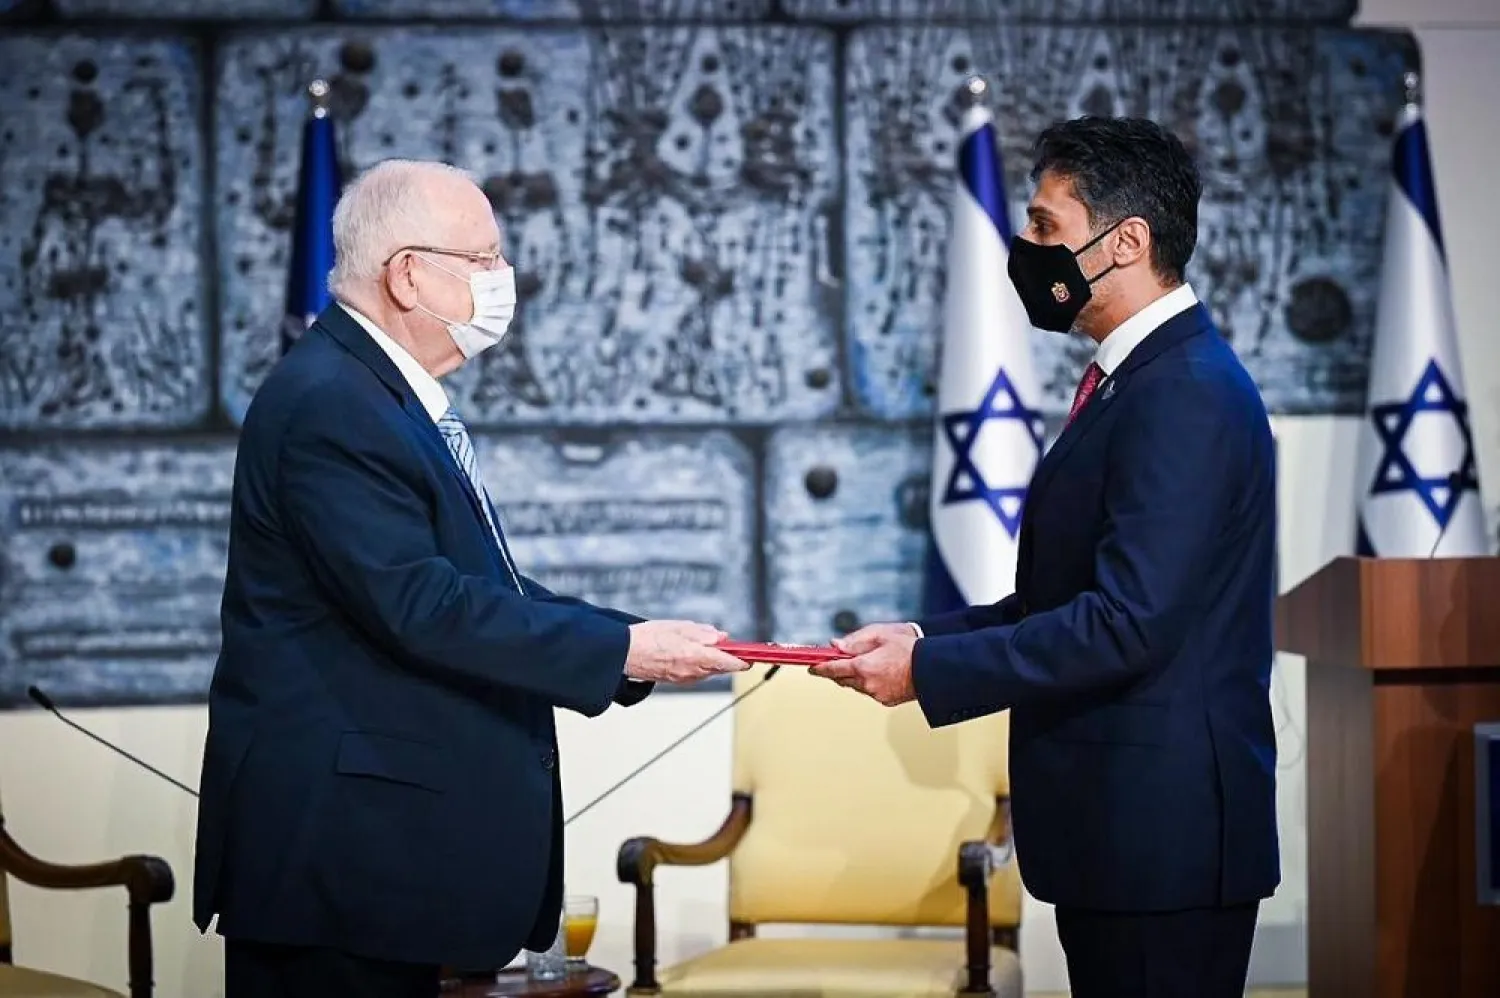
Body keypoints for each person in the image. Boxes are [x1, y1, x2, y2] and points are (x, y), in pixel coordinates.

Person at [193, 158, 749, 998]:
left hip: (382, 866)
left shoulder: (375, 393)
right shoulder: (332, 402)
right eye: (484, 260)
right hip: (340, 863)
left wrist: (635, 643)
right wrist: (625, 650)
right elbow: (423, 605)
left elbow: (480, 587)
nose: (504, 281)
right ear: (408, 275)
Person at [810, 117, 1279, 998]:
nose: (1023, 247)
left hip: (1160, 844)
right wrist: (917, 636)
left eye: (1043, 226)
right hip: (1119, 836)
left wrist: (929, 672)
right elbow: (1058, 598)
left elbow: (1125, 624)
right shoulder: (1137, 381)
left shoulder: (1185, 393)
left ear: (1126, 241)